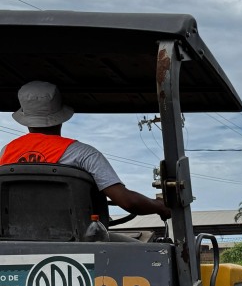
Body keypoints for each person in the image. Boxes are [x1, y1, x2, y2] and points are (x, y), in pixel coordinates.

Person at [0, 81, 170, 220]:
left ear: (26, 118)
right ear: (60, 117)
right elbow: (128, 202)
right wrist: (159, 206)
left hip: (12, 243)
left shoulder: (5, 154)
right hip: (76, 243)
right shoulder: (83, 154)